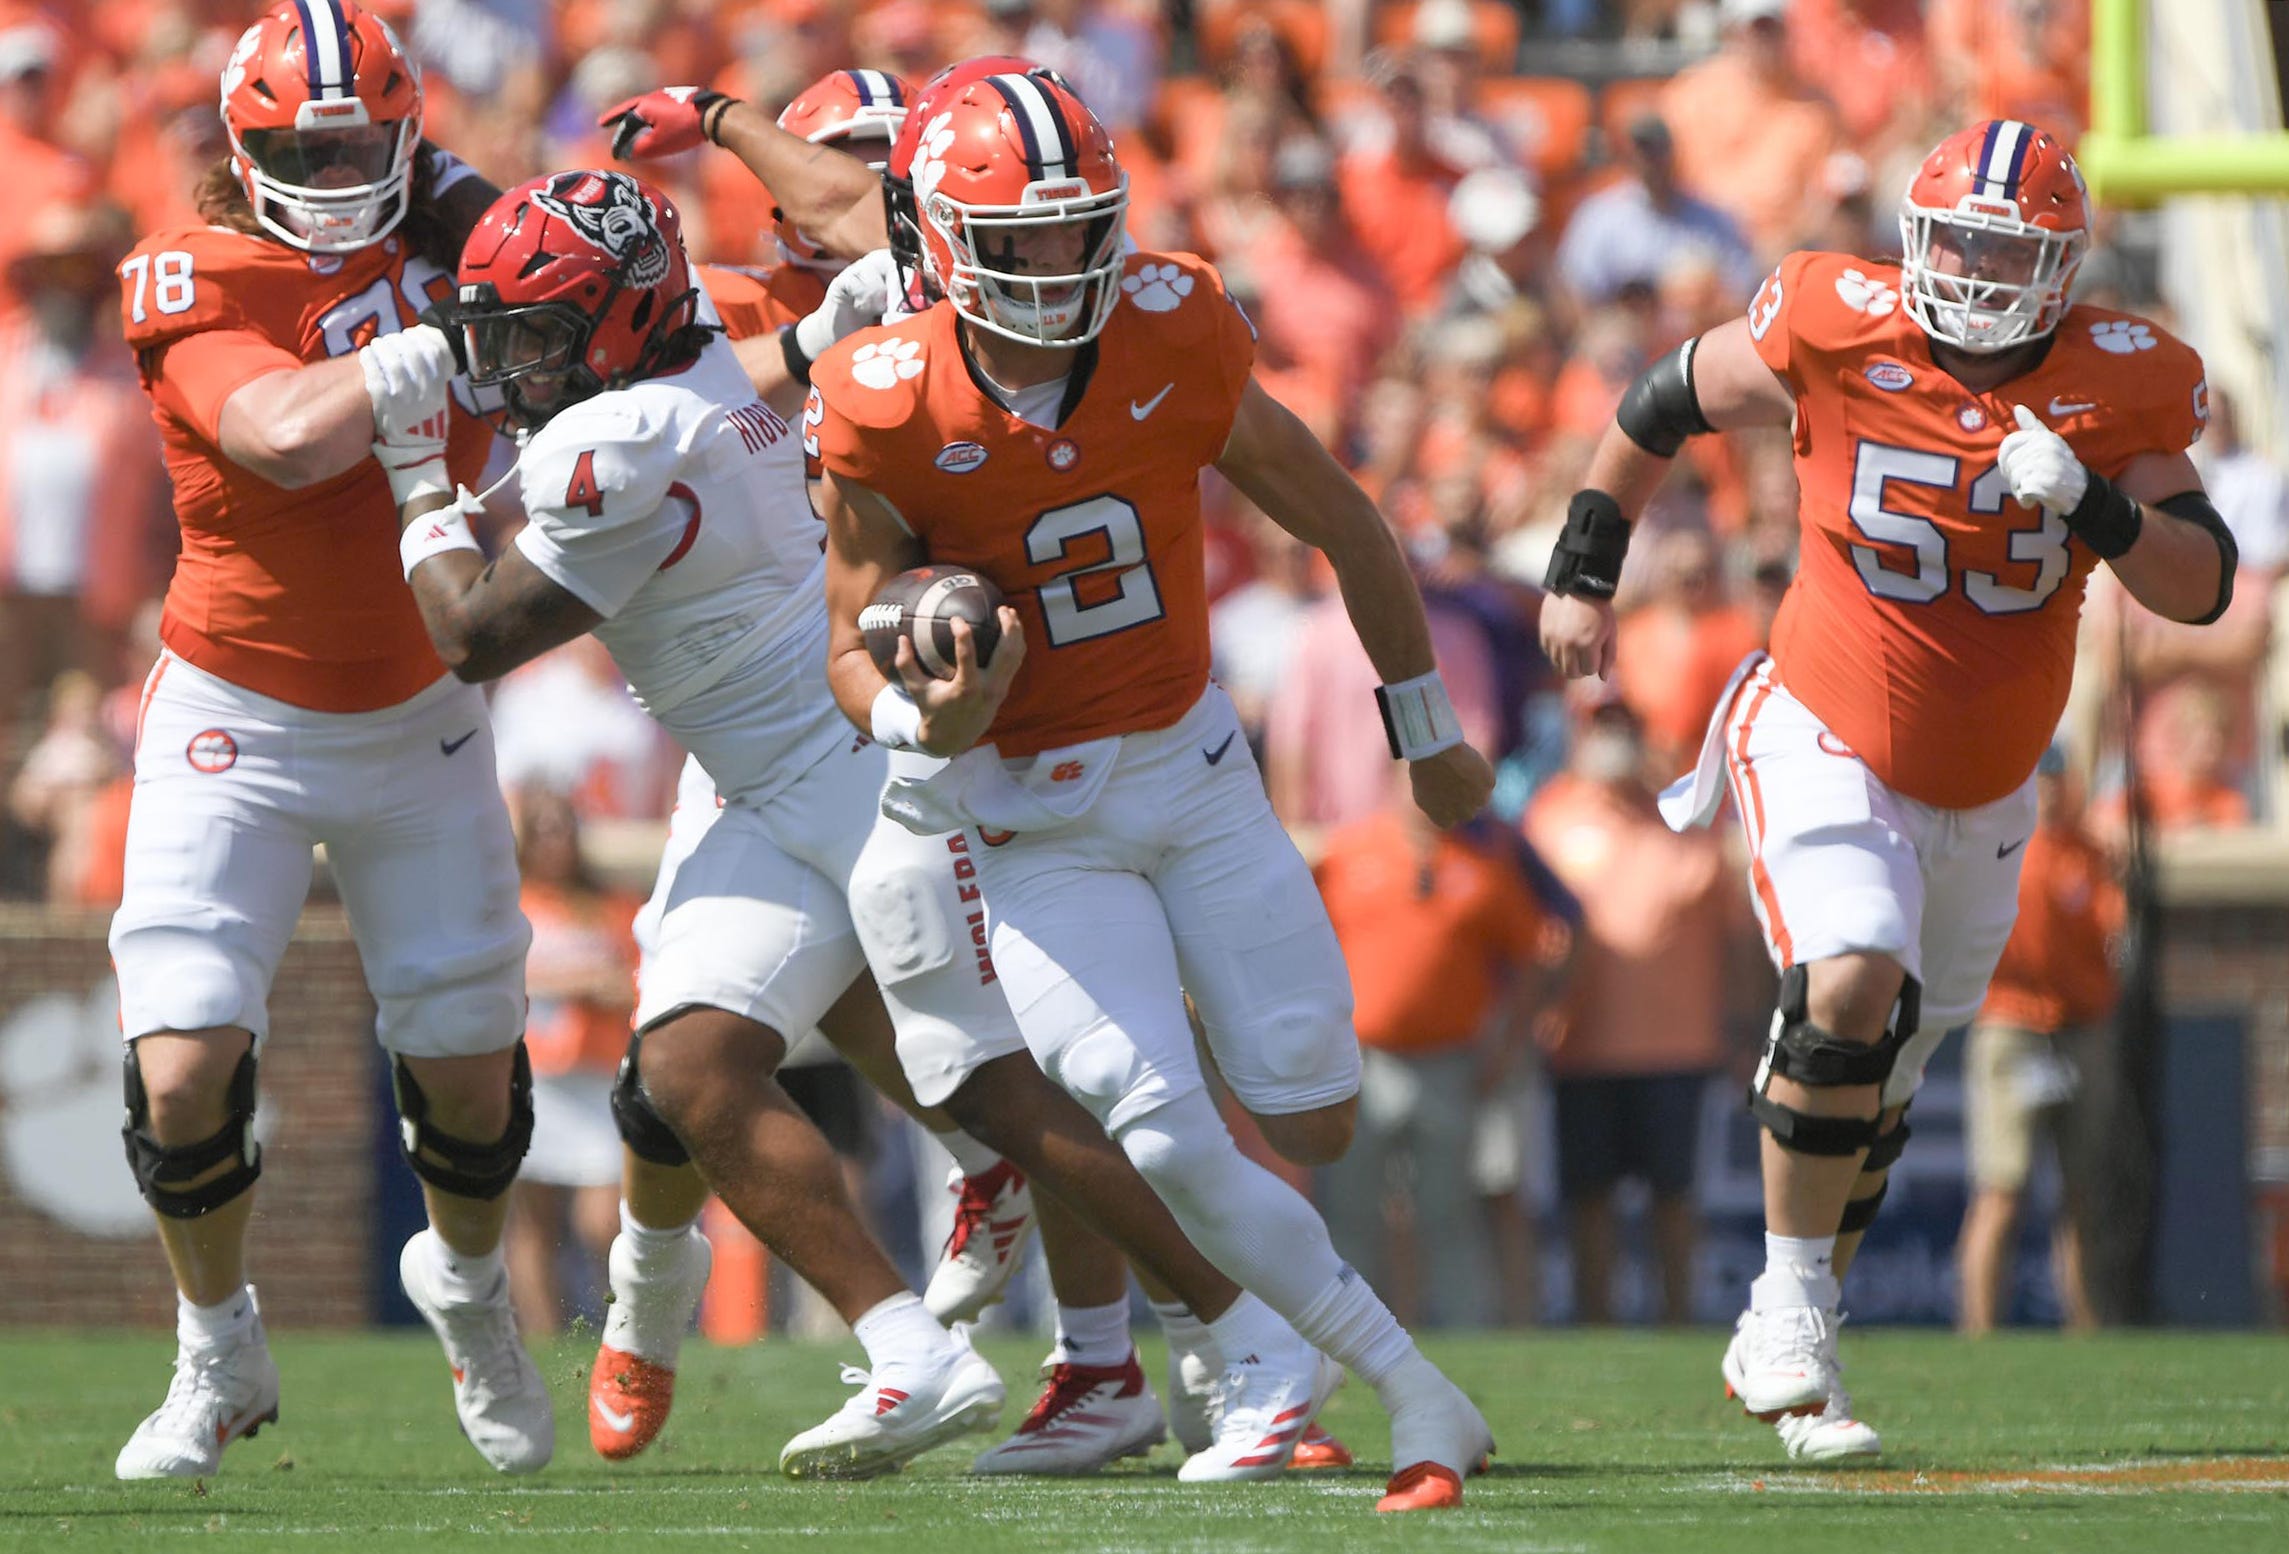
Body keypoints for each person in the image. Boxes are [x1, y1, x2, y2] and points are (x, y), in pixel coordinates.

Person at [382, 165, 1330, 1483]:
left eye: (539, 338)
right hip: (767, 786)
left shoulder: (621, 445)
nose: (515, 367)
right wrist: (435, 179)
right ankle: (909, 1347)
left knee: (1004, 1087)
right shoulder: (703, 351)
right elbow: (603, 261)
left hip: (861, 776)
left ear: (613, 325)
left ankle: (1246, 1329)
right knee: (691, 1069)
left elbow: (470, 633)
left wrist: (414, 476)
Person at [808, 69, 1497, 1511]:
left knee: (1307, 1110)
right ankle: (1326, 1370)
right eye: (1021, 238)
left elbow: (1345, 521)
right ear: (935, 237)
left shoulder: (1176, 325)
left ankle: (1294, 1322)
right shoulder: (877, 396)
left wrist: (1422, 729)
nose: (1058, 269)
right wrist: (924, 722)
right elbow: (845, 645)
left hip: (1192, 780)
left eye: (1078, 233)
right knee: (1158, 1126)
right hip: (1025, 813)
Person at [1539, 120, 2235, 1460]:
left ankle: (1790, 1323)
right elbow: (1661, 400)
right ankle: (1796, 1313)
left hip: (1985, 787)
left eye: (2005, 248)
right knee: (1853, 979)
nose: (1973, 270)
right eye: (1957, 238)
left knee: (1887, 1059)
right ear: (1915, 235)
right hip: (1818, 720)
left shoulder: (2119, 377)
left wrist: (2094, 504)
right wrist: (1583, 563)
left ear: (2061, 265)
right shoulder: (1835, 317)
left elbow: (2197, 585)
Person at [105, 1, 546, 1481]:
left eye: (358, 139)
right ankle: (215, 1345)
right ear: (246, 149)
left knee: (468, 1068)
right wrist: (418, 349)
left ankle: (473, 1294)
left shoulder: (469, 247)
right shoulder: (190, 269)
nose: (335, 164)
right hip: (235, 703)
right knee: (178, 1063)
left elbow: (636, 300)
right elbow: (286, 432)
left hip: (421, 709)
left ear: (409, 132)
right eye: (303, 145)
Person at [1312, 768, 1556, 1329]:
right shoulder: (1348, 852)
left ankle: (1466, 1333)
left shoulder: (1483, 858)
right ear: (1394, 783)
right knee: (1351, 1210)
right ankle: (1351, 1334)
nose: (1424, 790)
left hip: (1451, 1062)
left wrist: (1509, 1043)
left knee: (1450, 1211)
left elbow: (1532, 955)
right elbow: (1299, 945)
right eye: (1414, 777)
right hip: (1359, 1061)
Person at [1525, 695, 1740, 1325]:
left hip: (1678, 1045)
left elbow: (1733, 934)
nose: (1611, 742)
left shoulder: (1688, 817)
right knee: (1590, 1200)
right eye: (1600, 729)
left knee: (1674, 1199)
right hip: (1580, 1046)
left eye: (1623, 730)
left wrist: (1742, 1026)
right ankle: (1598, 1333)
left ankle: (1679, 1326)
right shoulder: (1549, 817)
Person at [1957, 745, 2119, 1335]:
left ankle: (2085, 1322)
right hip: (2011, 1024)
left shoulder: (2091, 853)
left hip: (2077, 1027)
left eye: (2057, 781)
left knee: (2081, 1191)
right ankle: (1977, 1332)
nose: (2048, 793)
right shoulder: (1998, 848)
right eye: (2038, 781)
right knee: (2002, 1189)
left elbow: (2110, 938)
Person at [501, 785, 639, 1340]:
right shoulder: (510, 904)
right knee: (534, 1221)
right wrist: (575, 981)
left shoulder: (610, 906)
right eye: (543, 828)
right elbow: (501, 979)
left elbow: (642, 979)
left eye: (564, 827)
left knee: (603, 1221)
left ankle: (620, 1330)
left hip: (598, 1078)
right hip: (536, 1078)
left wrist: (611, 989)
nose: (554, 840)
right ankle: (543, 1337)